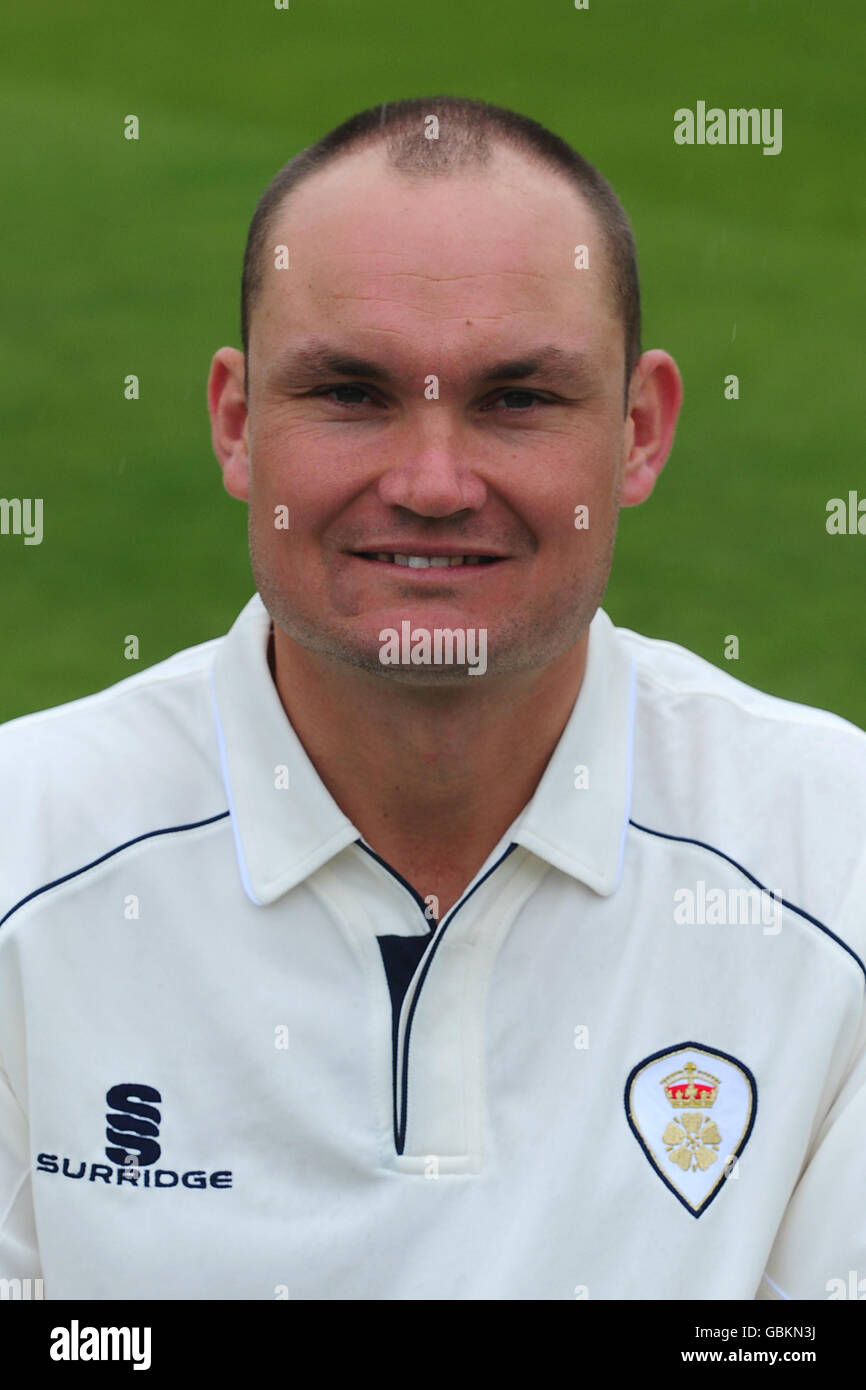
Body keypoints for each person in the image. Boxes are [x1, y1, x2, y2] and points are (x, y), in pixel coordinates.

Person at [1, 97, 864, 1302]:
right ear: (238, 423)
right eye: (350, 394)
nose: (430, 483)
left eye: (515, 399)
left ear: (638, 431)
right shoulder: (20, 857)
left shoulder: (834, 866)